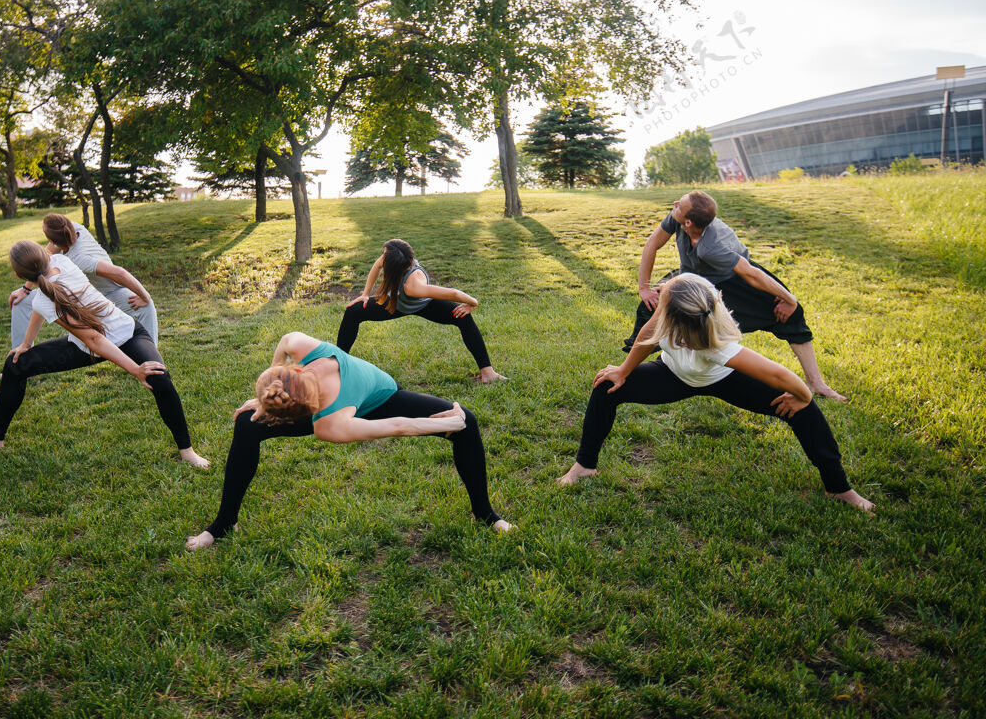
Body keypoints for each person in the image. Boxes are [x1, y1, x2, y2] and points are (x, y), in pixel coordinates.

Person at [561, 273, 873, 512]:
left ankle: (839, 487)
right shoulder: (675, 293)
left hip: (724, 379)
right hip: (673, 374)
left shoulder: (721, 348)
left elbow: (780, 374)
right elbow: (647, 335)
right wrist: (624, 370)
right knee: (606, 386)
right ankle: (585, 466)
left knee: (804, 412)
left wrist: (804, 396)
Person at [185, 331, 512, 550]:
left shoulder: (330, 422)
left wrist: (454, 422)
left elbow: (398, 424)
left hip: (384, 397)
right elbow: (285, 341)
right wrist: (265, 395)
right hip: (341, 405)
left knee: (467, 421)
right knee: (247, 422)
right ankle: (225, 523)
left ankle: (484, 513)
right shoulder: (304, 355)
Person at [0, 240, 209, 468]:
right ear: (44, 259)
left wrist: (137, 369)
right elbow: (90, 338)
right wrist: (27, 343)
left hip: (128, 334)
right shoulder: (57, 266)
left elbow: (93, 336)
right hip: (86, 347)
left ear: (18, 275)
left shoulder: (54, 274)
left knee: (159, 378)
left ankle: (187, 451)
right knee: (15, 363)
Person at [623, 190, 846, 401]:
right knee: (651, 308)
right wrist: (645, 288)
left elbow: (751, 273)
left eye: (679, 204)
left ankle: (816, 383)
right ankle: (639, 368)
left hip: (735, 280)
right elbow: (652, 243)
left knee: (790, 316)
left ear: (689, 222)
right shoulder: (677, 217)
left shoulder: (711, 246)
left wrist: (790, 299)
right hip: (694, 277)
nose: (674, 205)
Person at [338, 239, 506, 383]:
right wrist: (365, 294)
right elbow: (377, 265)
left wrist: (473, 303)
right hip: (396, 303)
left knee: (462, 316)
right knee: (354, 311)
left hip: (424, 305)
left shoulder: (414, 287)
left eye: (384, 255)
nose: (382, 257)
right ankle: (339, 366)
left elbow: (453, 293)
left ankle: (488, 372)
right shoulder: (396, 257)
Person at [8, 214, 158, 348]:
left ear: (52, 240)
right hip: (82, 294)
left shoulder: (78, 258)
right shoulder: (70, 227)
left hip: (108, 294)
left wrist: (145, 297)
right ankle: (19, 358)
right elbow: (40, 261)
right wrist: (25, 290)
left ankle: (151, 358)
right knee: (21, 302)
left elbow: (119, 273)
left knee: (147, 306)